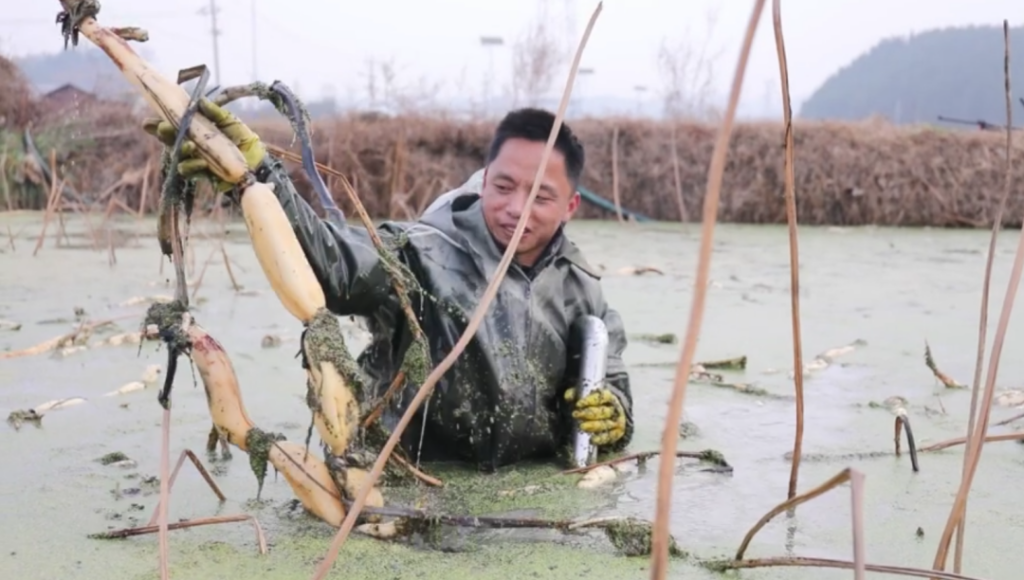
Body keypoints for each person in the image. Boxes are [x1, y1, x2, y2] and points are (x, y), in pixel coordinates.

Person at [143, 101, 634, 472]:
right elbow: (335, 269)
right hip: (404, 482)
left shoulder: (581, 289)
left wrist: (615, 415)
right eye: (504, 187)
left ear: (570, 206)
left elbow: (610, 382)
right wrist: (255, 176)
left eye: (541, 197)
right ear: (484, 182)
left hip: (528, 497)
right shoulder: (421, 253)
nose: (516, 208)